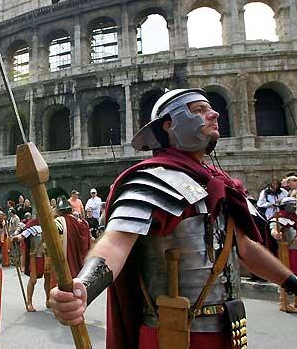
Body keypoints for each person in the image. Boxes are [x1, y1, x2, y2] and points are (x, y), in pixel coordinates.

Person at [49, 88, 297, 349]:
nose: (213, 114)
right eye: (199, 110)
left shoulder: (221, 186)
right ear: (169, 125)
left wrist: (291, 282)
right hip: (172, 333)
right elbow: (116, 242)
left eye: (210, 108)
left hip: (229, 330)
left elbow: (245, 249)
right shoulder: (151, 181)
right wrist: (83, 289)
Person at [13, 217, 50, 312]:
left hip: (47, 257)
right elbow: (22, 236)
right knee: (33, 280)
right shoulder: (33, 228)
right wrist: (14, 238)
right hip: (36, 257)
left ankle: (48, 300)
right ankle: (29, 302)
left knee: (48, 279)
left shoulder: (50, 227)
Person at [270, 197, 297, 312]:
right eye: (292, 204)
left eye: (296, 204)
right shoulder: (279, 218)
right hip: (286, 252)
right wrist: (276, 233)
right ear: (285, 206)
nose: (295, 207)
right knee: (286, 276)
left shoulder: (295, 218)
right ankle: (284, 302)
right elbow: (273, 228)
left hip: (296, 251)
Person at [54, 197, 91, 278]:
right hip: (80, 262)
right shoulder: (81, 222)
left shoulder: (59, 221)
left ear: (59, 211)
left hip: (66, 261)